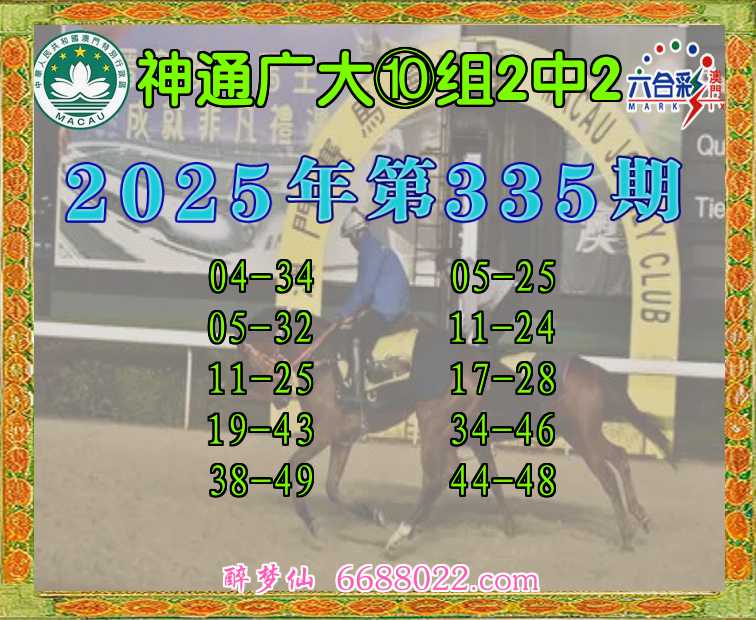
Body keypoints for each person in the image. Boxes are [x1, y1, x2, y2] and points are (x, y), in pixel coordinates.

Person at [337, 207, 410, 405]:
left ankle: (357, 393)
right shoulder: (378, 248)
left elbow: (364, 289)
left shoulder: (368, 250)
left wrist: (343, 314)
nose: (351, 242)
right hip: (394, 306)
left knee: (356, 336)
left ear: (357, 234)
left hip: (386, 309)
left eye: (350, 237)